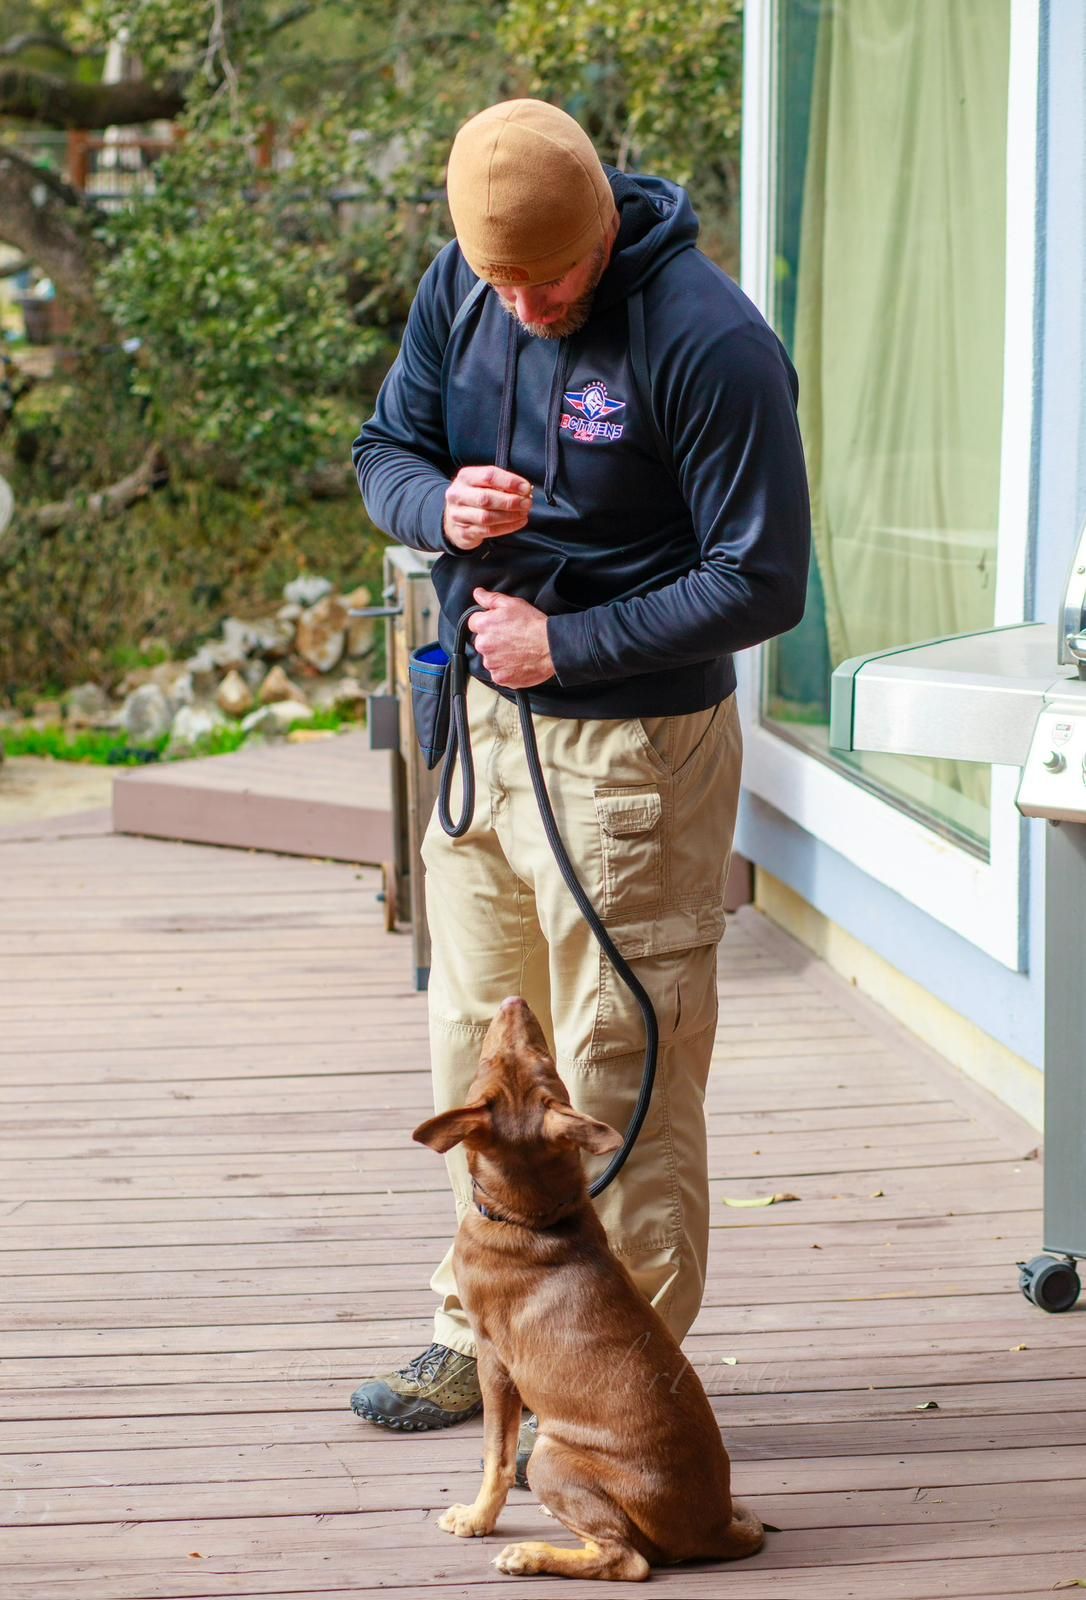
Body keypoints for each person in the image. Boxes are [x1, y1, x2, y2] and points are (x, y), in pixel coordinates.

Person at [349, 99, 810, 1473]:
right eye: (498, 282)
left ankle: (618, 1382)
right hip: (483, 739)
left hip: (633, 763)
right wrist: (440, 510)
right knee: (476, 1065)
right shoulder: (463, 283)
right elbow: (384, 450)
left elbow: (761, 578)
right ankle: (475, 1327)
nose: (520, 304)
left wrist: (569, 641)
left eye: (544, 281)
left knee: (621, 1073)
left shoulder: (708, 340)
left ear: (603, 227)